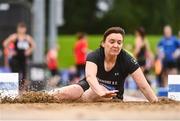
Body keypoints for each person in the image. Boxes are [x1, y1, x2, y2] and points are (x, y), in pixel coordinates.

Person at [49, 27, 158, 103]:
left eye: (119, 42)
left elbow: (143, 86)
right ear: (103, 43)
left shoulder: (128, 59)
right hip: (91, 86)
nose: (116, 45)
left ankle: (78, 99)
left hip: (112, 95)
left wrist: (155, 102)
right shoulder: (94, 55)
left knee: (91, 94)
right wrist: (99, 91)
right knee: (68, 91)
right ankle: (40, 96)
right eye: (112, 41)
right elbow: (90, 77)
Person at [3, 22, 35, 90]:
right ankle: (14, 89)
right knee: (15, 75)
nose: (21, 30)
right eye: (20, 28)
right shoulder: (14, 36)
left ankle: (22, 90)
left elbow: (33, 45)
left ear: (25, 29)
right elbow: (5, 43)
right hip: (15, 58)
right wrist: (10, 51)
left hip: (23, 58)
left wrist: (29, 51)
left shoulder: (27, 37)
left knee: (24, 75)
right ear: (18, 29)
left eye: (23, 28)